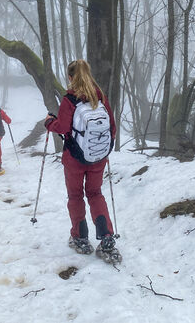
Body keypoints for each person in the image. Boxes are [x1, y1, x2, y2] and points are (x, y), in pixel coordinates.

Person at [44, 59, 121, 262]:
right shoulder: (100, 96)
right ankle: (106, 237)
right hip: (98, 158)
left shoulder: (70, 100)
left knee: (76, 196)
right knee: (95, 194)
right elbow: (112, 127)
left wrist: (49, 122)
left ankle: (80, 237)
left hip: (75, 159)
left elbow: (62, 128)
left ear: (70, 77)